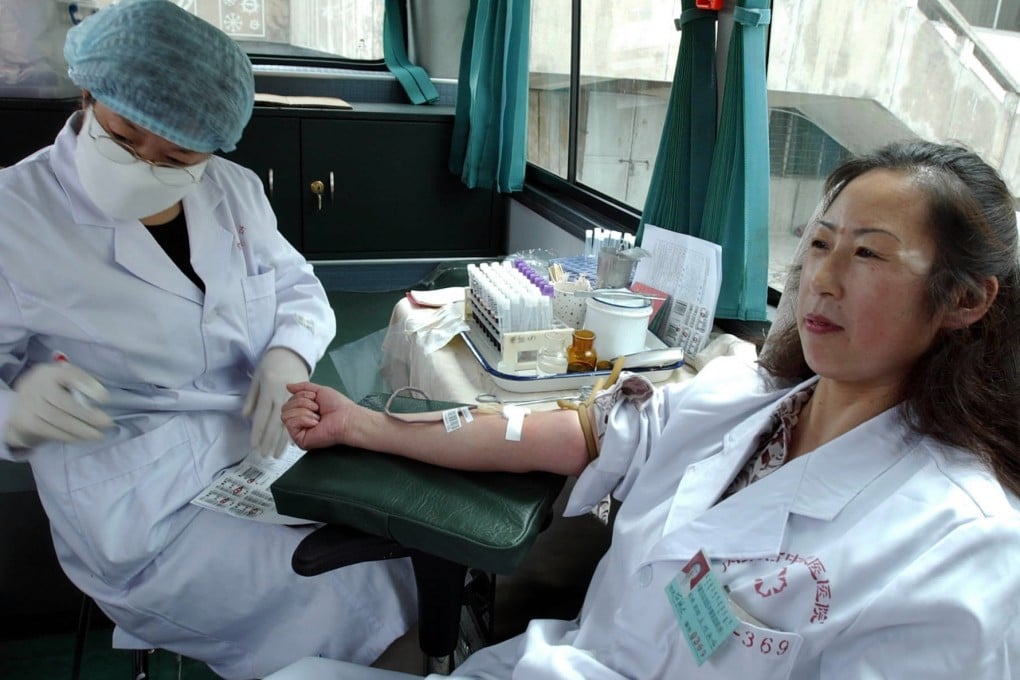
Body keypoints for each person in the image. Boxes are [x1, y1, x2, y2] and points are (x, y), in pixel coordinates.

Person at [280, 140, 1020, 678]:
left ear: (963, 299)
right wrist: (366, 425)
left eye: (868, 255)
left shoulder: (959, 547)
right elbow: (562, 432)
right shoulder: (734, 399)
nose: (820, 280)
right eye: (819, 242)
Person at [0, 1, 415, 677]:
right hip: (138, 506)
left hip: (259, 449)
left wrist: (287, 354)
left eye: (177, 155)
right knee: (341, 588)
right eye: (125, 137)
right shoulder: (13, 216)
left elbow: (299, 289)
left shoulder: (234, 191)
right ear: (88, 94)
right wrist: (12, 413)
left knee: (401, 540)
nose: (145, 165)